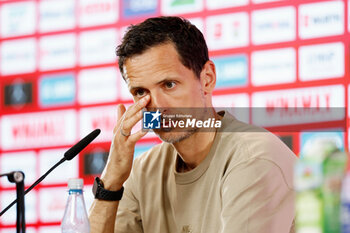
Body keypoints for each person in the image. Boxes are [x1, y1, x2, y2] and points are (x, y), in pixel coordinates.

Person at [88, 16, 297, 233]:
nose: (157, 106)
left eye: (169, 85)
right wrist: (111, 181)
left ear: (207, 78)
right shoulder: (142, 170)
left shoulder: (255, 158)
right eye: (141, 92)